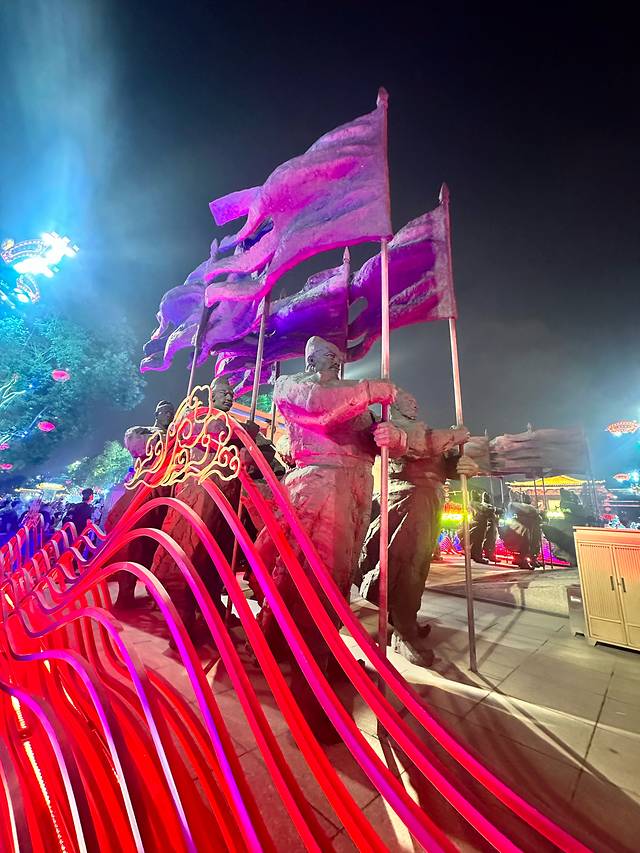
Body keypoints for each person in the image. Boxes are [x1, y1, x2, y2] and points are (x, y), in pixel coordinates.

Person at [260, 335, 405, 742]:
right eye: (328, 357)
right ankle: (307, 695)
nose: (335, 363)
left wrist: (391, 436)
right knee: (316, 586)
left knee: (335, 583)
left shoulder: (351, 399)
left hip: (354, 488)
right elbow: (321, 411)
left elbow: (375, 441)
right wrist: (369, 390)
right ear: (311, 358)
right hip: (320, 484)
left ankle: (304, 652)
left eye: (338, 358)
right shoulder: (294, 385)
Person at [358, 389, 478, 666]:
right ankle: (404, 630)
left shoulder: (425, 430)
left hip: (429, 501)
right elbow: (421, 445)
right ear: (394, 405)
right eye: (407, 400)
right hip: (406, 500)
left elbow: (443, 461)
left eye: (415, 400)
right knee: (406, 565)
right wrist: (454, 435)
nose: (414, 403)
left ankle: (405, 618)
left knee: (418, 566)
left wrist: (462, 466)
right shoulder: (391, 427)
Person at [106, 399, 176, 609]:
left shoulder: (177, 436)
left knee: (162, 544)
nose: (168, 416)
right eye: (164, 412)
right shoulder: (144, 433)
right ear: (157, 414)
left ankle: (155, 590)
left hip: (169, 491)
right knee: (135, 541)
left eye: (171, 413)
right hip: (146, 488)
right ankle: (125, 592)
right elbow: (135, 444)